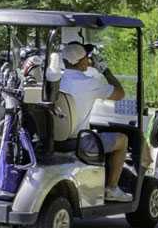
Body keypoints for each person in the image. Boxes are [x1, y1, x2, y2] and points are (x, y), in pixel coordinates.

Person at [52, 40, 133, 201]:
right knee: (123, 140)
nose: (89, 61)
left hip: (55, 139)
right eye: (87, 58)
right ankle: (111, 188)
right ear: (82, 61)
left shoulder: (56, 81)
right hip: (80, 141)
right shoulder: (90, 83)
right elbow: (119, 94)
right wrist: (105, 71)